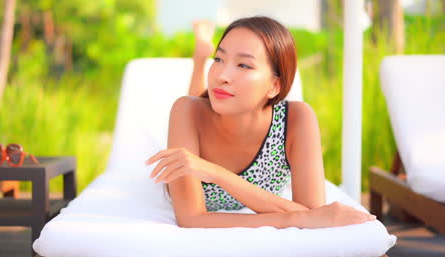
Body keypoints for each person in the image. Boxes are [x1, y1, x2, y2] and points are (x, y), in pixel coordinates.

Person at [145, 16, 376, 229]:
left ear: (275, 85)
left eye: (244, 65)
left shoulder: (297, 119)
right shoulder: (185, 110)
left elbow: (313, 213)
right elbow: (191, 219)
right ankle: (201, 56)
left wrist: (214, 172)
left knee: (204, 99)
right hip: (196, 117)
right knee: (196, 101)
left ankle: (202, 52)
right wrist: (297, 218)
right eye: (218, 58)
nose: (222, 74)